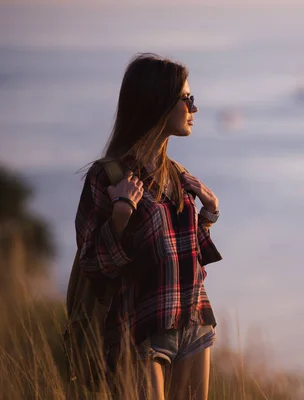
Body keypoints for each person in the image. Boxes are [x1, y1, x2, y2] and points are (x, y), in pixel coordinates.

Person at [75, 53, 222, 400]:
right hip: (140, 327)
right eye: (187, 99)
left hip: (193, 319)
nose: (194, 109)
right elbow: (91, 263)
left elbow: (186, 254)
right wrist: (121, 216)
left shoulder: (179, 175)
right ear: (157, 103)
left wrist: (209, 215)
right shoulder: (108, 177)